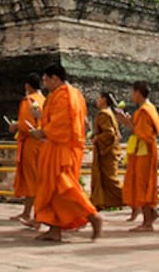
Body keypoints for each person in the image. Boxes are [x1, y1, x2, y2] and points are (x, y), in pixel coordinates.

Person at [28, 63, 103, 242]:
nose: (44, 84)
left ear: (55, 78)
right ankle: (55, 229)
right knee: (53, 191)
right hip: (57, 146)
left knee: (65, 187)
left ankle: (92, 215)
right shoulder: (71, 94)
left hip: (61, 148)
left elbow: (61, 124)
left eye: (46, 80)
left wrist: (42, 132)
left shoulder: (65, 95)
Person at [119, 80, 159, 231]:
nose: (131, 96)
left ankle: (147, 223)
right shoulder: (148, 109)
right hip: (142, 150)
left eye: (132, 92)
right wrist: (129, 122)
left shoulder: (145, 111)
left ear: (137, 92)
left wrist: (129, 124)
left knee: (143, 184)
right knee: (142, 183)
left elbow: (146, 135)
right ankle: (151, 214)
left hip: (145, 151)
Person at [9, 73, 45, 224]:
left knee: (31, 178)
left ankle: (33, 214)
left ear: (27, 86)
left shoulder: (28, 100)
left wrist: (15, 126)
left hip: (30, 143)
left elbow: (25, 125)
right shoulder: (44, 100)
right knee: (38, 177)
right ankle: (27, 212)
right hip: (42, 142)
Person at [90, 91, 123, 211]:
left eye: (99, 98)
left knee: (111, 181)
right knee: (104, 181)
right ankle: (97, 205)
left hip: (106, 153)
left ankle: (133, 201)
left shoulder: (103, 114)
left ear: (103, 99)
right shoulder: (110, 113)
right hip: (108, 152)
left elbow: (110, 134)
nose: (97, 100)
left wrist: (96, 138)